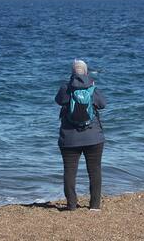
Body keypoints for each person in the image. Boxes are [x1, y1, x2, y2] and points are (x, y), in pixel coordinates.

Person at [55, 59, 106, 211]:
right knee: (95, 170)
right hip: (94, 137)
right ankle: (95, 206)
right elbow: (102, 104)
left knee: (70, 171)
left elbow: (58, 101)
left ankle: (71, 205)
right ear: (86, 72)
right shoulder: (92, 87)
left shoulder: (66, 88)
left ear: (72, 72)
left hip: (69, 139)